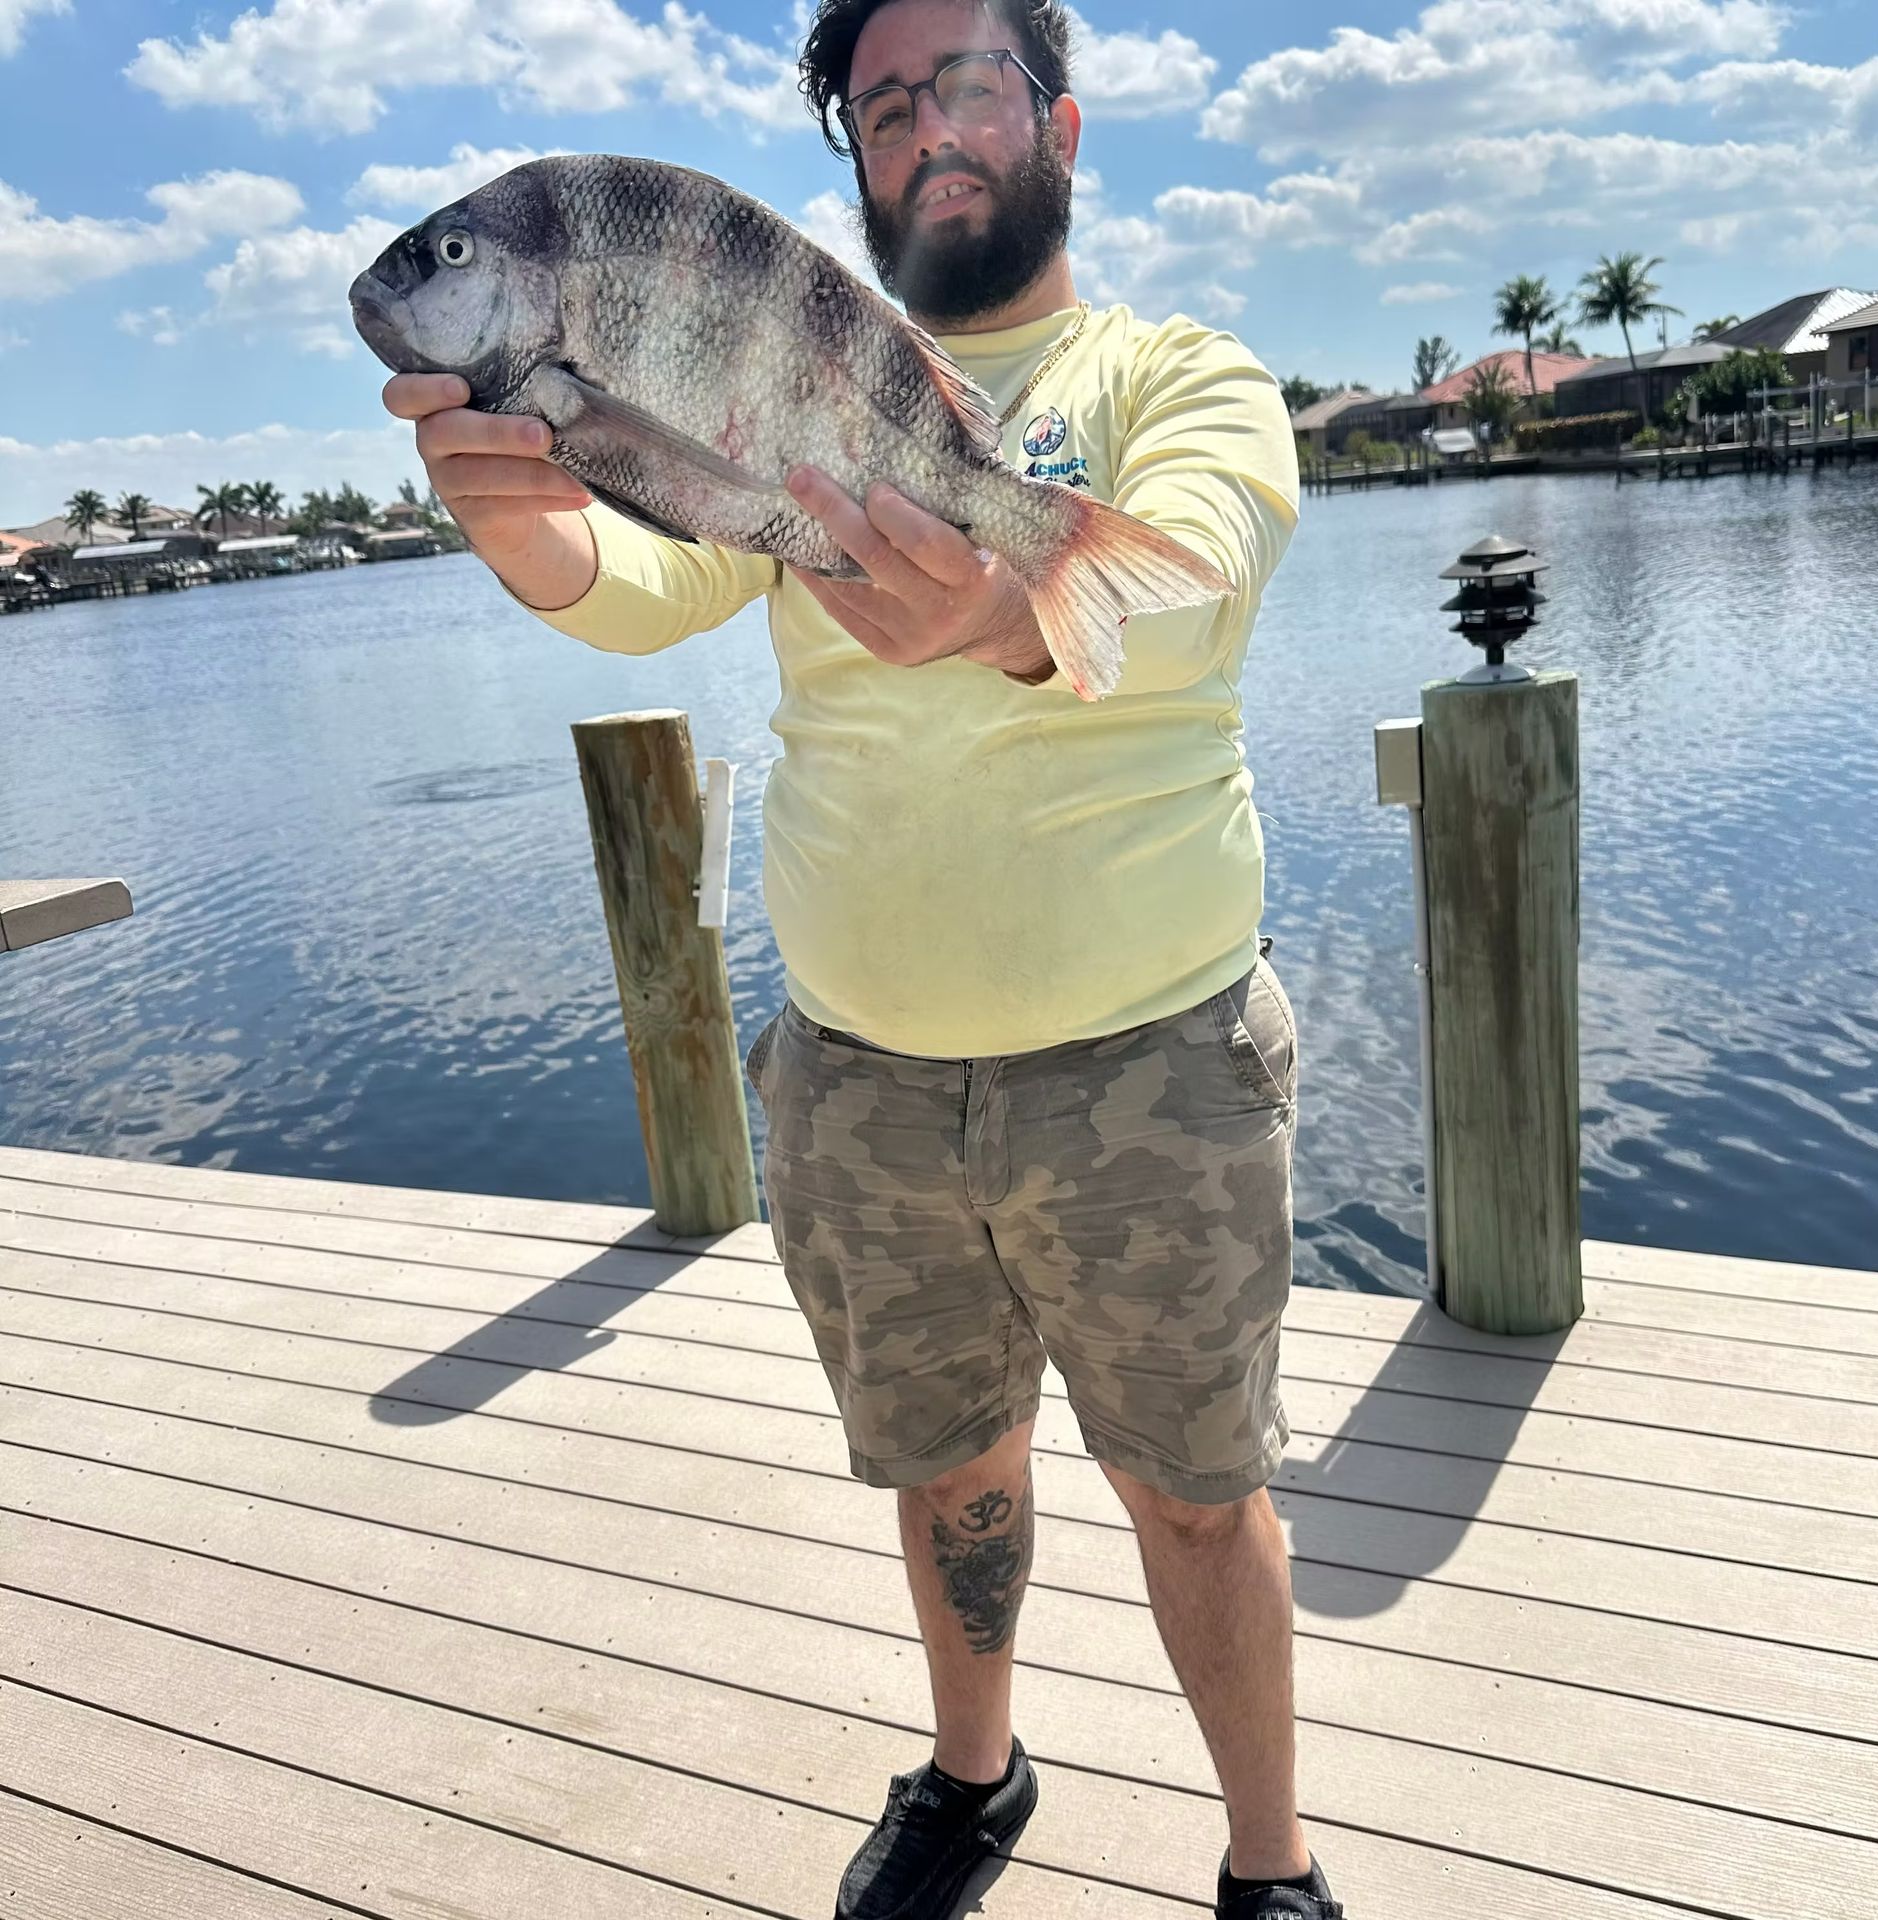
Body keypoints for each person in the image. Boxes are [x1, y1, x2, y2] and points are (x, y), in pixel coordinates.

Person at [384, 3, 1334, 1915]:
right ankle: (975, 1781)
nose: (929, 128)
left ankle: (1268, 1860)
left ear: (1058, 118)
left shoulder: (1172, 368)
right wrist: (530, 535)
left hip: (1151, 1066)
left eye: (966, 83)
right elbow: (653, 583)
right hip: (860, 1076)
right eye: (885, 104)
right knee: (946, 1465)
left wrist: (1007, 607)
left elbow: (1204, 567)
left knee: (1201, 1492)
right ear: (860, 156)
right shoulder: (802, 372)